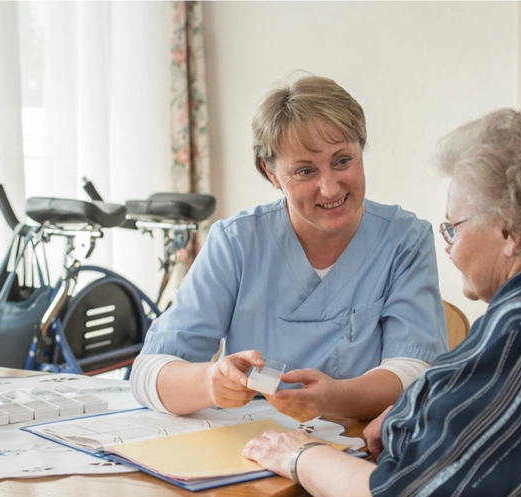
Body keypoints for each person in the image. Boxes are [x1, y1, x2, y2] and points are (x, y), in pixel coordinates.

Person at [243, 108, 521, 496]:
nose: (449, 248)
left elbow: (396, 492)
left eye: (453, 228)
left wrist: (298, 454)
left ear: (508, 229)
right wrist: (415, 415)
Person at [129, 74, 448, 422]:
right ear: (272, 174)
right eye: (305, 171)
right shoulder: (236, 243)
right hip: (251, 453)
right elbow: (148, 372)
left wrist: (334, 397)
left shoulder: (404, 239)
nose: (330, 188)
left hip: (358, 451)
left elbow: (416, 371)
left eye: (342, 161)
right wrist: (210, 382)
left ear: (361, 149)